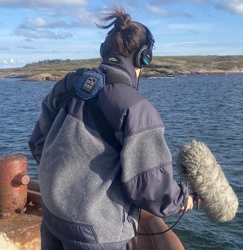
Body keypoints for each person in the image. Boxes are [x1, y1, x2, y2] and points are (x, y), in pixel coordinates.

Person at [29, 7, 193, 250]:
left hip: (54, 215)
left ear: (104, 51)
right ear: (143, 57)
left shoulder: (68, 84)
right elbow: (148, 186)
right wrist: (182, 199)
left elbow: (38, 143)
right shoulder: (137, 108)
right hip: (96, 232)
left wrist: (66, 182)